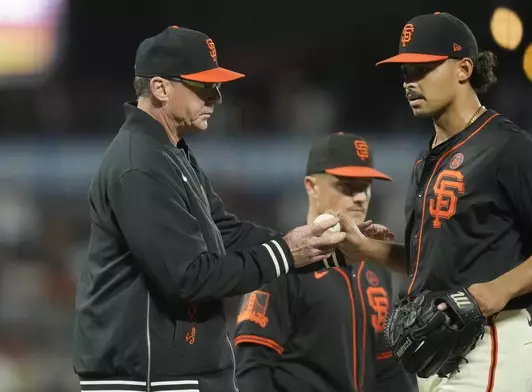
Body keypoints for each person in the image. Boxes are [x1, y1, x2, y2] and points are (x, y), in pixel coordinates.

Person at [72, 26, 346, 392]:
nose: (216, 97)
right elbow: (189, 277)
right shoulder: (139, 164)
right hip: (148, 378)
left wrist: (320, 248)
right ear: (160, 88)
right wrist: (285, 253)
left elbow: (225, 232)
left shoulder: (169, 151)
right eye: (203, 86)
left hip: (179, 372)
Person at [336, 12, 532, 392]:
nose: (410, 82)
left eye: (423, 68)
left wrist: (500, 289)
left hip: (490, 340)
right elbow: (437, 261)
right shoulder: (426, 160)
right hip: (442, 352)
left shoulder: (506, 146)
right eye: (405, 71)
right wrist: (367, 248)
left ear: (463, 69)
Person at [233, 132, 418, 392]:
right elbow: (252, 369)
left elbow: (388, 370)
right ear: (311, 186)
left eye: (366, 186)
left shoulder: (377, 269)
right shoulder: (283, 264)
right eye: (348, 185)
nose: (361, 197)